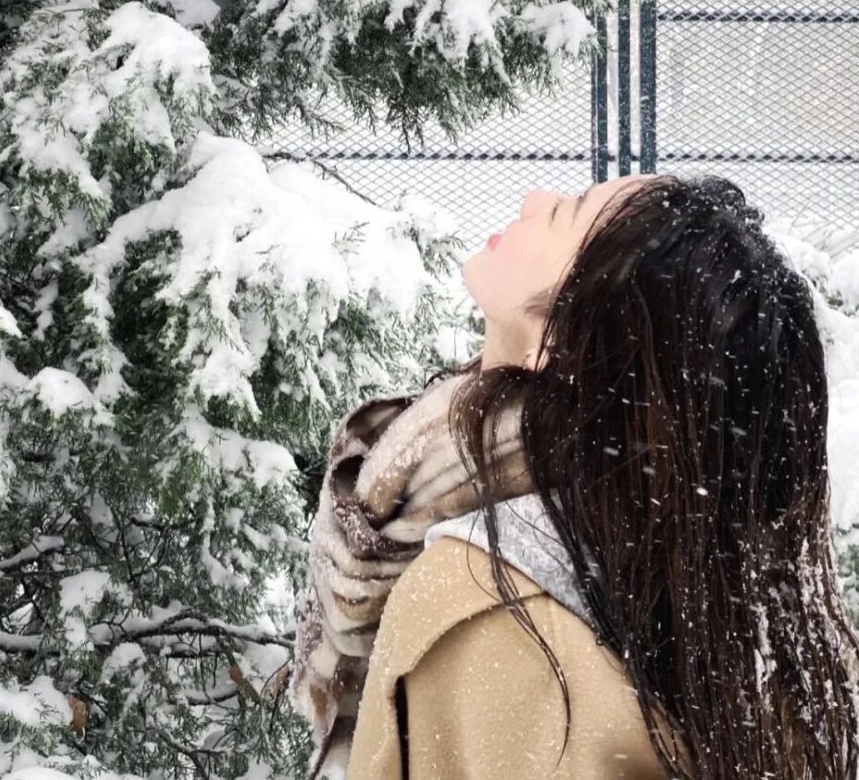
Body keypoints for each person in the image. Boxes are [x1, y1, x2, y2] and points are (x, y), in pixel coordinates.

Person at [319, 172, 859, 779]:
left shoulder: (483, 612)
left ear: (559, 338)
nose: (533, 198)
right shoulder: (673, 562)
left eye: (565, 213)